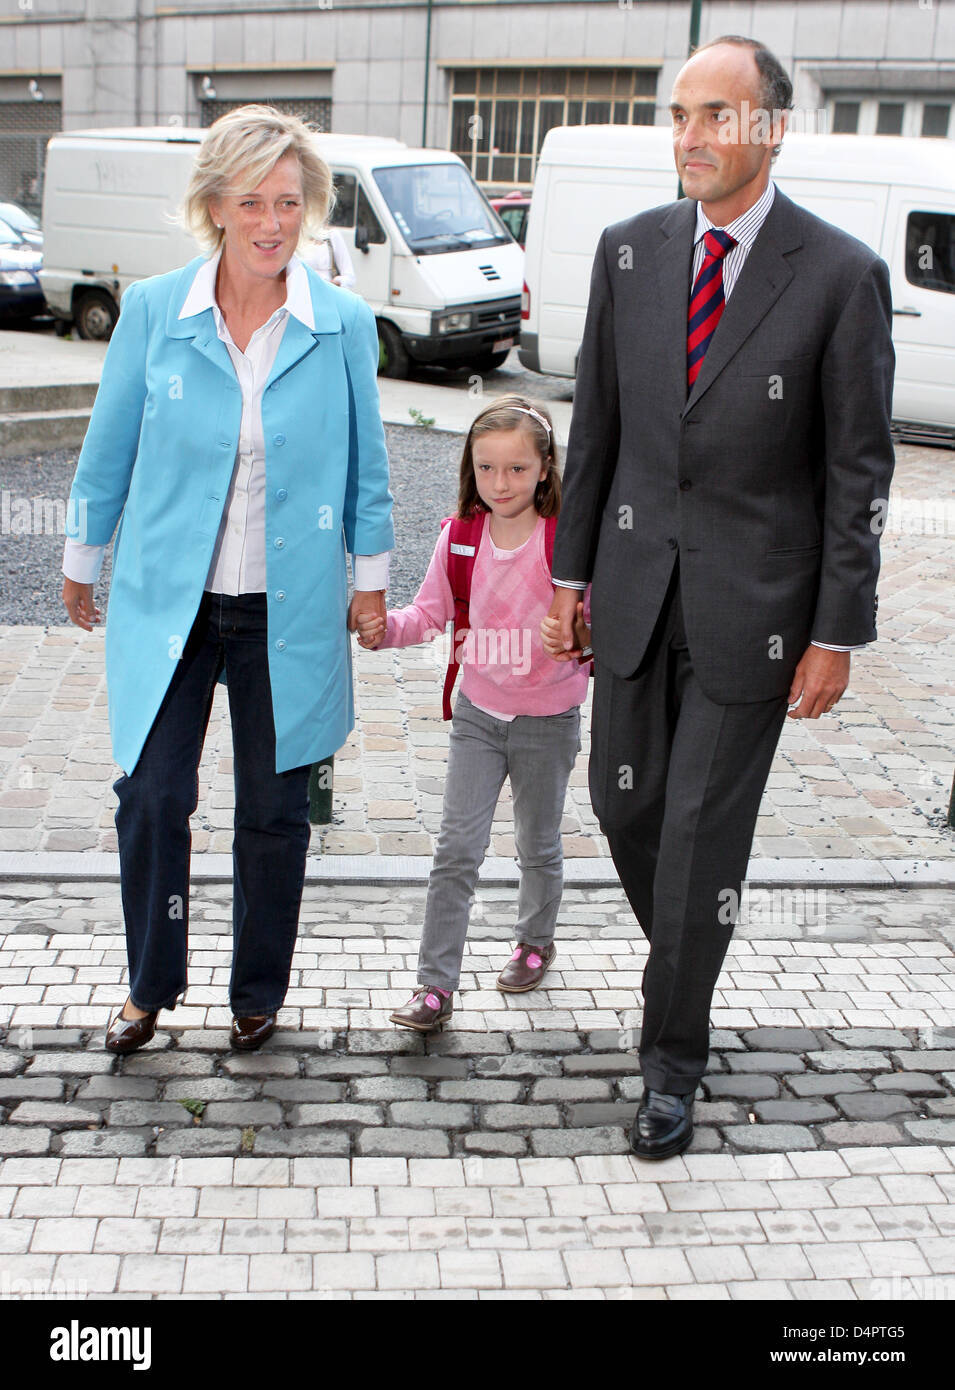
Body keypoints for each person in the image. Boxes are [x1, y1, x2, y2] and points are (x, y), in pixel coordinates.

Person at [544, 36, 895, 1159]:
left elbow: (859, 470)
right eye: (679, 115)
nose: (689, 137)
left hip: (760, 616)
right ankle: (688, 956)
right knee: (620, 803)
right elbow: (594, 428)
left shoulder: (838, 274)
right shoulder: (629, 253)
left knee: (697, 833)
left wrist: (838, 628)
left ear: (770, 127)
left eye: (714, 115)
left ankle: (670, 1061)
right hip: (636, 596)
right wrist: (568, 572)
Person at [61, 105, 394, 1055]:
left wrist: (369, 580)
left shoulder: (340, 325)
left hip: (286, 613)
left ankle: (257, 991)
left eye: (289, 201)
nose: (271, 222)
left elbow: (369, 465)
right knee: (154, 796)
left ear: (310, 208)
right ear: (213, 204)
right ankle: (148, 982)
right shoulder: (158, 312)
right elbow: (108, 443)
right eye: (250, 200)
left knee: (276, 811)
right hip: (173, 607)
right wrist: (84, 555)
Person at [356, 395, 591, 1031]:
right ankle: (434, 987)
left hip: (549, 718)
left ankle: (534, 942)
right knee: (457, 848)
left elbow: (598, 623)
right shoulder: (459, 536)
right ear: (471, 469)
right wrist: (384, 630)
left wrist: (578, 636)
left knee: (537, 844)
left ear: (545, 468)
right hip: (478, 716)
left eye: (516, 468)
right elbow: (428, 613)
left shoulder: (563, 540)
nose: (500, 483)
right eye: (487, 468)